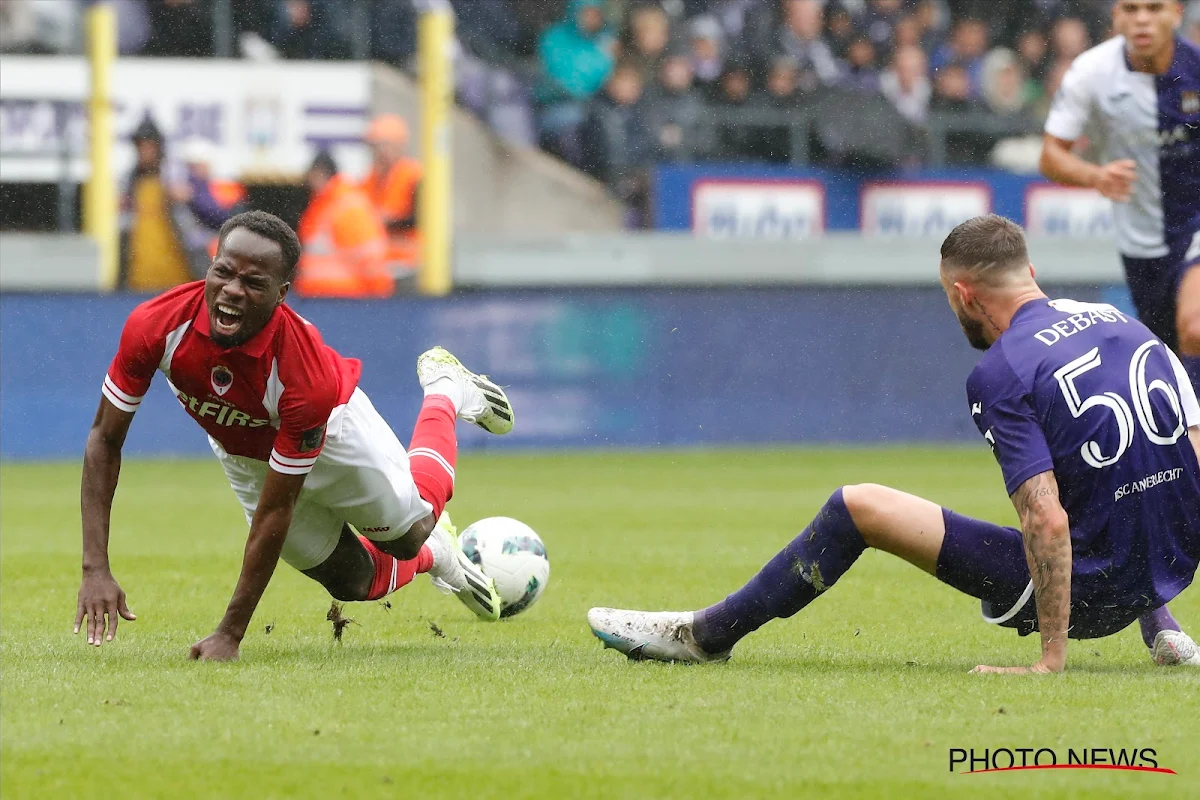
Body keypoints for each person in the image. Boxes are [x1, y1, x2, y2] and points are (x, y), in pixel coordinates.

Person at [589, 215, 1200, 671]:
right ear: (1031, 275)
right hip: (1175, 561)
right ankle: (1163, 628)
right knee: (1105, 461)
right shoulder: (1124, 323)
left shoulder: (1004, 369)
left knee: (857, 506)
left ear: (963, 294)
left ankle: (703, 637)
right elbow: (1188, 453)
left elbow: (1045, 517)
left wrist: (1051, 659)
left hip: (1096, 591)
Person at [75, 211, 515, 661]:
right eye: (223, 271)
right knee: (350, 582)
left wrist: (230, 633)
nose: (231, 290)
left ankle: (445, 390)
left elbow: (276, 509)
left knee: (404, 537)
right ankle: (439, 556)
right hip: (243, 453)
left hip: (334, 431)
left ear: (281, 294)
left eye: (253, 282)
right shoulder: (156, 325)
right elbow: (104, 440)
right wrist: (95, 568)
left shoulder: (303, 377)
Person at [1039, 0, 1200, 390]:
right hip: (1140, 241)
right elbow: (1050, 156)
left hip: (1195, 223)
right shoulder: (1091, 73)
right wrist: (1095, 176)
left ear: (1176, 13)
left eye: (1154, 7)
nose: (1142, 19)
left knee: (1194, 326)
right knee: (1168, 356)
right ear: (1116, 16)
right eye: (1131, 8)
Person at [295, 150, 392, 298]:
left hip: (345, 298)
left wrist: (379, 300)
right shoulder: (323, 205)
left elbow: (369, 257)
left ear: (320, 174)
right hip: (323, 297)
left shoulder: (346, 206)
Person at [120, 115, 195, 292]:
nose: (144, 151)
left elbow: (197, 219)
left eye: (149, 146)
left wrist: (187, 197)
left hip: (176, 274)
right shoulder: (128, 182)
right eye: (141, 146)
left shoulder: (175, 176)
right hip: (139, 276)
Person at [359, 114, 422, 280]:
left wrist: (387, 221)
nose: (378, 152)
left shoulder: (413, 176)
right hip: (377, 268)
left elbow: (420, 219)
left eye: (382, 146)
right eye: (374, 147)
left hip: (407, 267)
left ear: (397, 146)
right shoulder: (369, 179)